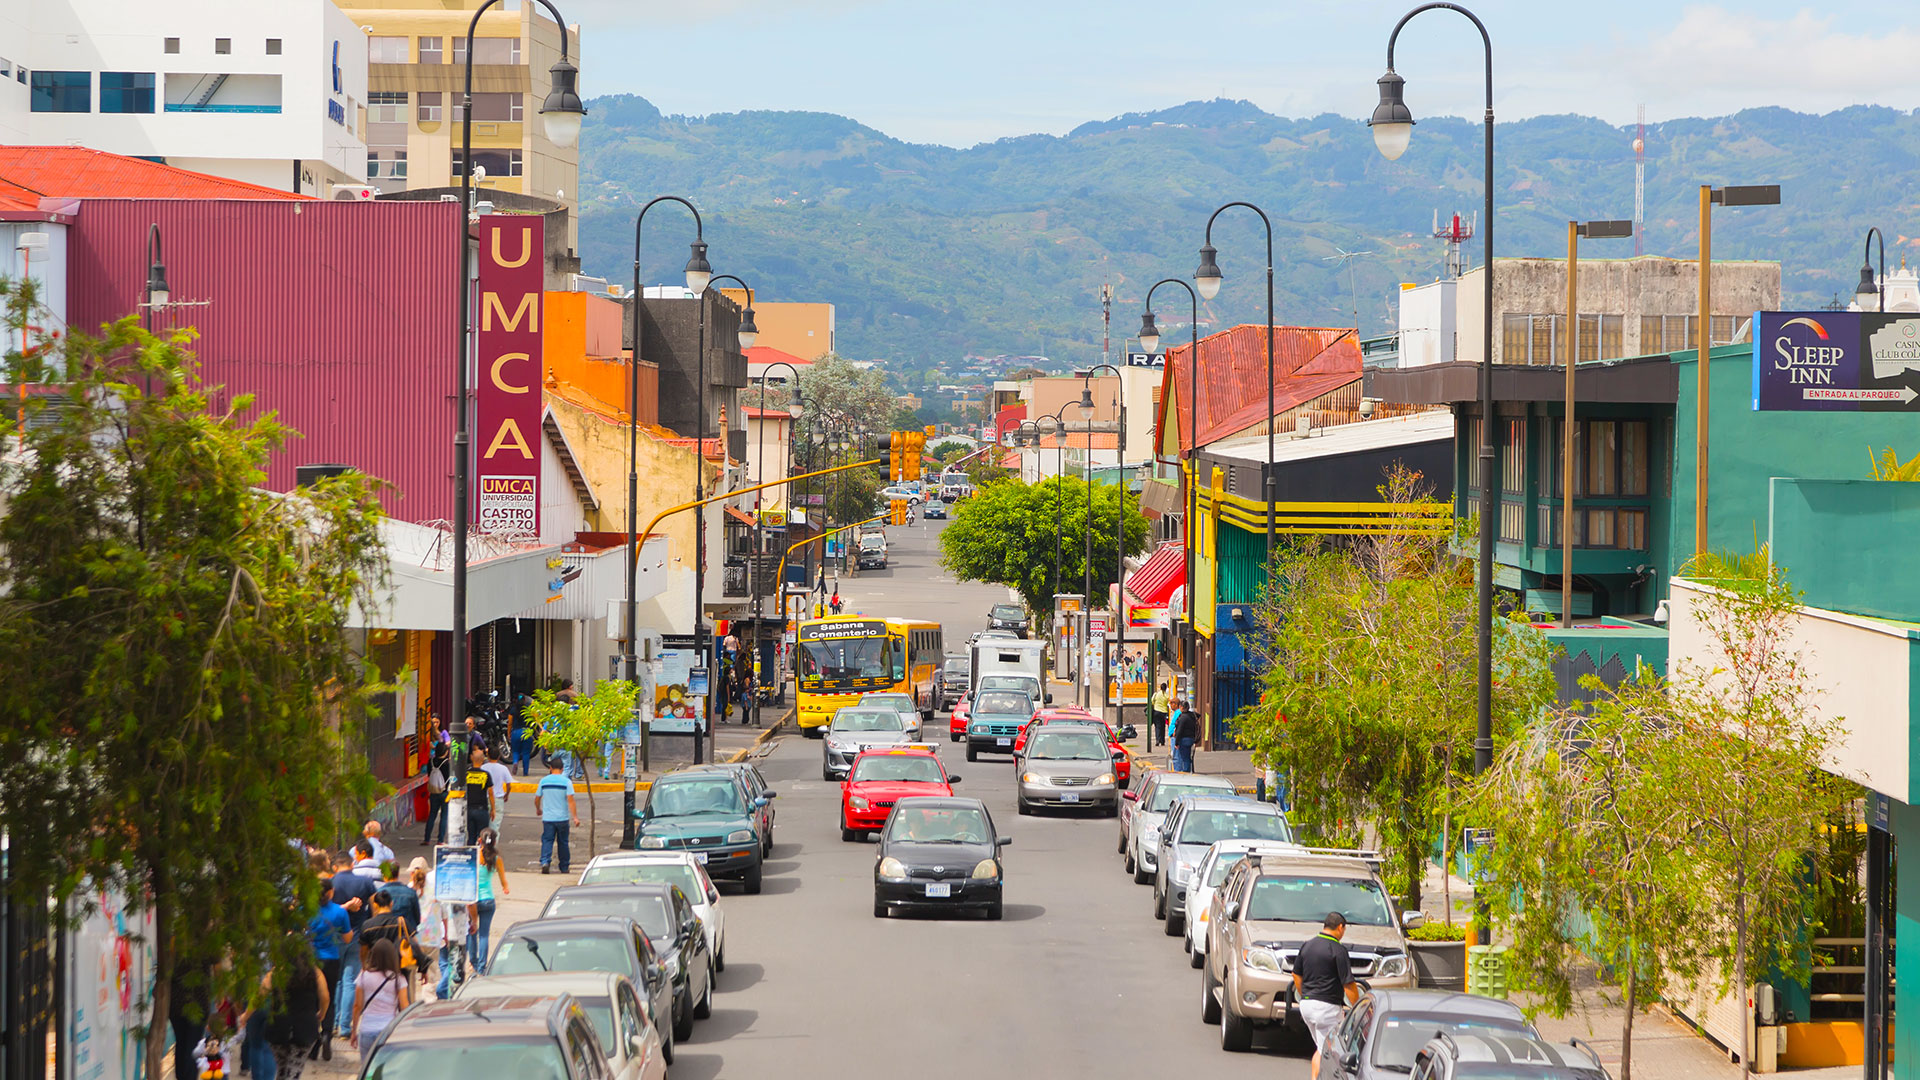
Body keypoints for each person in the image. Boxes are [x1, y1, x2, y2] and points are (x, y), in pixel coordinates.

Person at [1294, 911, 1360, 1080]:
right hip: (1326, 1009)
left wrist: (1306, 994)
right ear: (1340, 927)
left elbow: (1296, 975)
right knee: (1326, 1053)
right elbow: (1348, 985)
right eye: (1344, 930)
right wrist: (1358, 1007)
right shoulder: (1338, 950)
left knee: (1320, 1047)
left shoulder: (1307, 945)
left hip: (1306, 1006)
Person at [327, 851, 377, 1041]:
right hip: (358, 936)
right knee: (350, 981)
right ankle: (344, 1027)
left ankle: (332, 1022)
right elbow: (374, 909)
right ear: (352, 864)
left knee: (336, 980)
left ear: (335, 866)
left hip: (335, 937)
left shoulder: (330, 883)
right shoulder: (365, 883)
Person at [264, 947, 328, 1080]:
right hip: (305, 1028)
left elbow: (260, 994)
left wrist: (245, 1015)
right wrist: (322, 1012)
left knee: (282, 1070)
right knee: (294, 1071)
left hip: (278, 1026)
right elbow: (325, 997)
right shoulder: (315, 973)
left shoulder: (276, 972)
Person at [305, 883, 351, 1061]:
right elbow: (347, 938)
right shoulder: (340, 912)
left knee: (312, 1001)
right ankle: (326, 1035)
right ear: (331, 892)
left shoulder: (305, 910)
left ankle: (313, 1043)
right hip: (331, 959)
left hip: (310, 961)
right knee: (329, 1000)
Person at [347, 939, 410, 1055]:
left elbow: (357, 1006)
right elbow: (405, 1006)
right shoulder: (398, 979)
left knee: (368, 1072)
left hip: (367, 1030)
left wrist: (353, 1031)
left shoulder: (363, 976)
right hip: (388, 1030)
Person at [466, 829, 510, 975]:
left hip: (473, 900)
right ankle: (482, 966)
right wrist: (505, 888)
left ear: (480, 840)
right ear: (495, 841)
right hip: (488, 900)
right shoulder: (497, 859)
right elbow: (503, 880)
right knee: (484, 935)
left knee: (472, 930)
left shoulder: (474, 856)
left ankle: (473, 961)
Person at [358, 891, 420, 993]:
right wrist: (422, 967)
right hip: (399, 968)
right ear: (391, 903)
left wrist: (364, 967)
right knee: (402, 999)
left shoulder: (367, 925)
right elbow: (415, 944)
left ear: (375, 905)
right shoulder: (402, 921)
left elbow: (363, 951)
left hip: (375, 968)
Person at [536, 758, 580, 875]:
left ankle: (545, 862)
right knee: (563, 842)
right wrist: (575, 817)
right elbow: (571, 801)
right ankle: (564, 866)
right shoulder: (566, 782)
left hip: (548, 818)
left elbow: (537, 798)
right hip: (562, 818)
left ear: (550, 768)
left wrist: (538, 809)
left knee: (547, 840)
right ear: (562, 769)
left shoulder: (544, 781)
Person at [421, 719, 451, 845]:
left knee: (432, 815)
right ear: (445, 752)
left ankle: (427, 839)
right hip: (444, 792)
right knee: (444, 816)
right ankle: (440, 840)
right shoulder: (447, 764)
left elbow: (428, 774)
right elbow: (450, 778)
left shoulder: (431, 762)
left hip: (433, 792)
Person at [462, 744, 494, 845]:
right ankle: (482, 857)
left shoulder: (466, 773)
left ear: (471, 758)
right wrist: (493, 808)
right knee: (483, 837)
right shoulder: (485, 775)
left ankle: (471, 857)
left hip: (469, 809)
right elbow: (491, 793)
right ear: (483, 760)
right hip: (482, 809)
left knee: (471, 836)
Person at [481, 748, 513, 837]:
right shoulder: (503, 768)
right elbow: (509, 784)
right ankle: (492, 847)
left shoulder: (483, 767)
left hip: (484, 799)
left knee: (483, 826)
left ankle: (483, 846)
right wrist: (507, 794)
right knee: (494, 827)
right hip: (498, 799)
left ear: (488, 756)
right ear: (499, 757)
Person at [509, 695, 537, 776]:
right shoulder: (529, 709)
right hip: (527, 732)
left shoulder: (513, 710)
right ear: (525, 700)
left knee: (515, 751)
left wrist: (509, 733)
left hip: (515, 732)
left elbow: (510, 723)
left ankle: (515, 762)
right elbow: (535, 720)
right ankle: (525, 772)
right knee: (526, 753)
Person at [1172, 697, 1200, 773]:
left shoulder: (1183, 718)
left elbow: (1179, 731)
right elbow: (1198, 715)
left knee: (1184, 757)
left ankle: (1185, 771)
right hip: (1191, 738)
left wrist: (1176, 742)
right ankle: (1188, 770)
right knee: (1187, 756)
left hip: (1184, 739)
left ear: (1181, 707)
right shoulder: (1192, 715)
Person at [1148, 681, 1171, 750]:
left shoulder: (1156, 694)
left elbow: (1152, 701)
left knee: (1157, 726)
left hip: (1156, 711)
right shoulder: (1167, 695)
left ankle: (1157, 740)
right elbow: (1168, 702)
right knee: (1163, 726)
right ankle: (1162, 741)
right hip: (1164, 712)